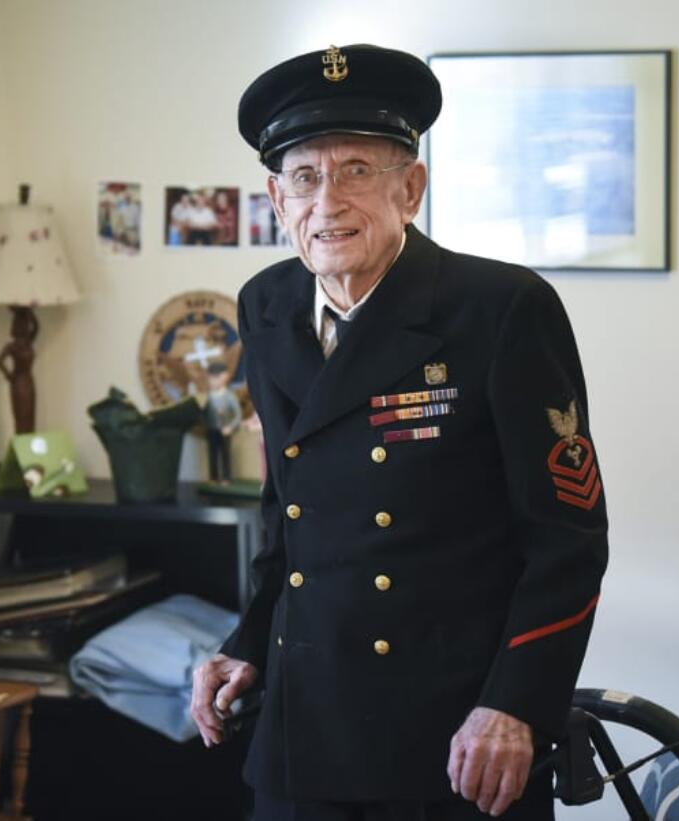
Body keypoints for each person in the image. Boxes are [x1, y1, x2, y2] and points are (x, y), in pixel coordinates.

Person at [189, 45, 608, 821]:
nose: (327, 202)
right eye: (306, 178)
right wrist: (247, 640)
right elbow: (288, 516)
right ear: (277, 200)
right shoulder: (265, 306)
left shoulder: (501, 308)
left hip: (454, 732)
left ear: (410, 188)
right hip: (303, 718)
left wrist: (516, 704)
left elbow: (568, 541)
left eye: (354, 171)